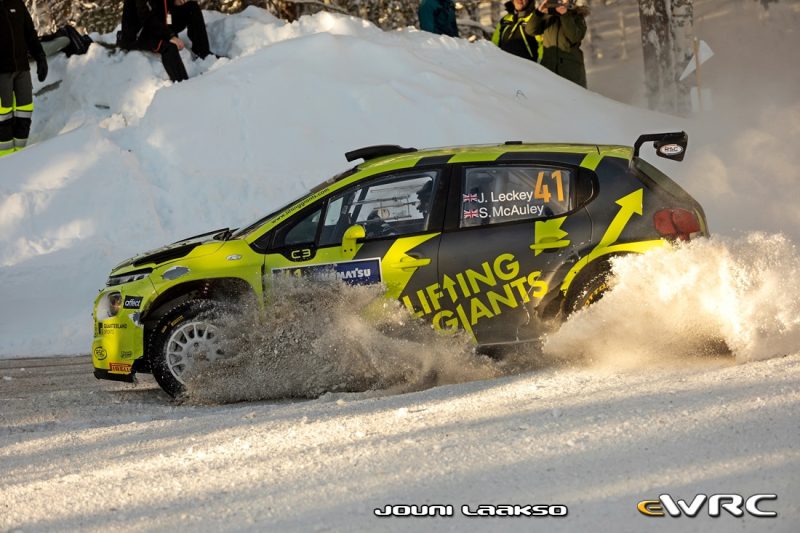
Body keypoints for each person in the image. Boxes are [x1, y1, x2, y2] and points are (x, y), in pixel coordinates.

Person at [118, 0, 213, 82]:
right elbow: (146, 17)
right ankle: (182, 84)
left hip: (160, 23)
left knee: (192, 8)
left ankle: (203, 53)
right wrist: (169, 36)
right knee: (169, 47)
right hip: (139, 33)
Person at [0, 0, 47, 157]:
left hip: (22, 69)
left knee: (25, 113)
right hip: (1, 72)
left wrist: (40, 57)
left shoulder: (17, 3)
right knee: (2, 117)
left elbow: (29, 33)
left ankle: (21, 155)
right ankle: (6, 158)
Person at [533, 0, 589, 88]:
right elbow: (530, 30)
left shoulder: (577, 15)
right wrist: (538, 13)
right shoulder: (548, 14)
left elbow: (574, 37)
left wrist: (565, 15)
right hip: (549, 68)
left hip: (570, 72)